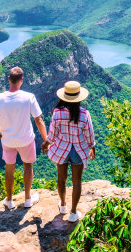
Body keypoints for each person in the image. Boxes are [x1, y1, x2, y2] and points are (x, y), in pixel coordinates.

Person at [0, 66, 48, 210]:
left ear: (9, 79)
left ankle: (9, 201)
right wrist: (46, 140)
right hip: (26, 140)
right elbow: (38, 120)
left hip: (7, 141)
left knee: (9, 169)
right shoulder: (29, 97)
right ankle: (27, 199)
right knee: (28, 166)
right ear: (21, 80)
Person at [42, 80, 95, 222]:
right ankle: (73, 213)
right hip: (78, 151)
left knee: (61, 179)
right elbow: (89, 134)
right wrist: (92, 147)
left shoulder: (57, 113)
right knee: (77, 181)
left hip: (61, 150)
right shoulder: (84, 114)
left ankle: (63, 205)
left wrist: (45, 144)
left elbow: (52, 134)